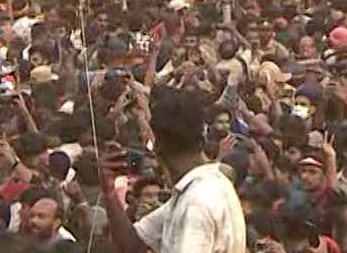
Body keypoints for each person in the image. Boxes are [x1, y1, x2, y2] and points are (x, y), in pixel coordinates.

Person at [101, 87, 245, 253]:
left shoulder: (196, 202)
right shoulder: (200, 189)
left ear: (157, 148)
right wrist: (109, 192)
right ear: (202, 138)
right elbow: (133, 244)